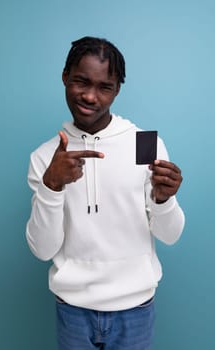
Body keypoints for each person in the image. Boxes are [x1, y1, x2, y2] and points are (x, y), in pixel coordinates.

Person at [26, 36, 185, 350]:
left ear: (117, 90)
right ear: (64, 77)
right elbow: (43, 250)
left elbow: (170, 236)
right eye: (80, 82)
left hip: (136, 308)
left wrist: (164, 200)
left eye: (104, 87)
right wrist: (52, 186)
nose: (90, 96)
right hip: (72, 308)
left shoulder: (144, 143)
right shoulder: (45, 156)